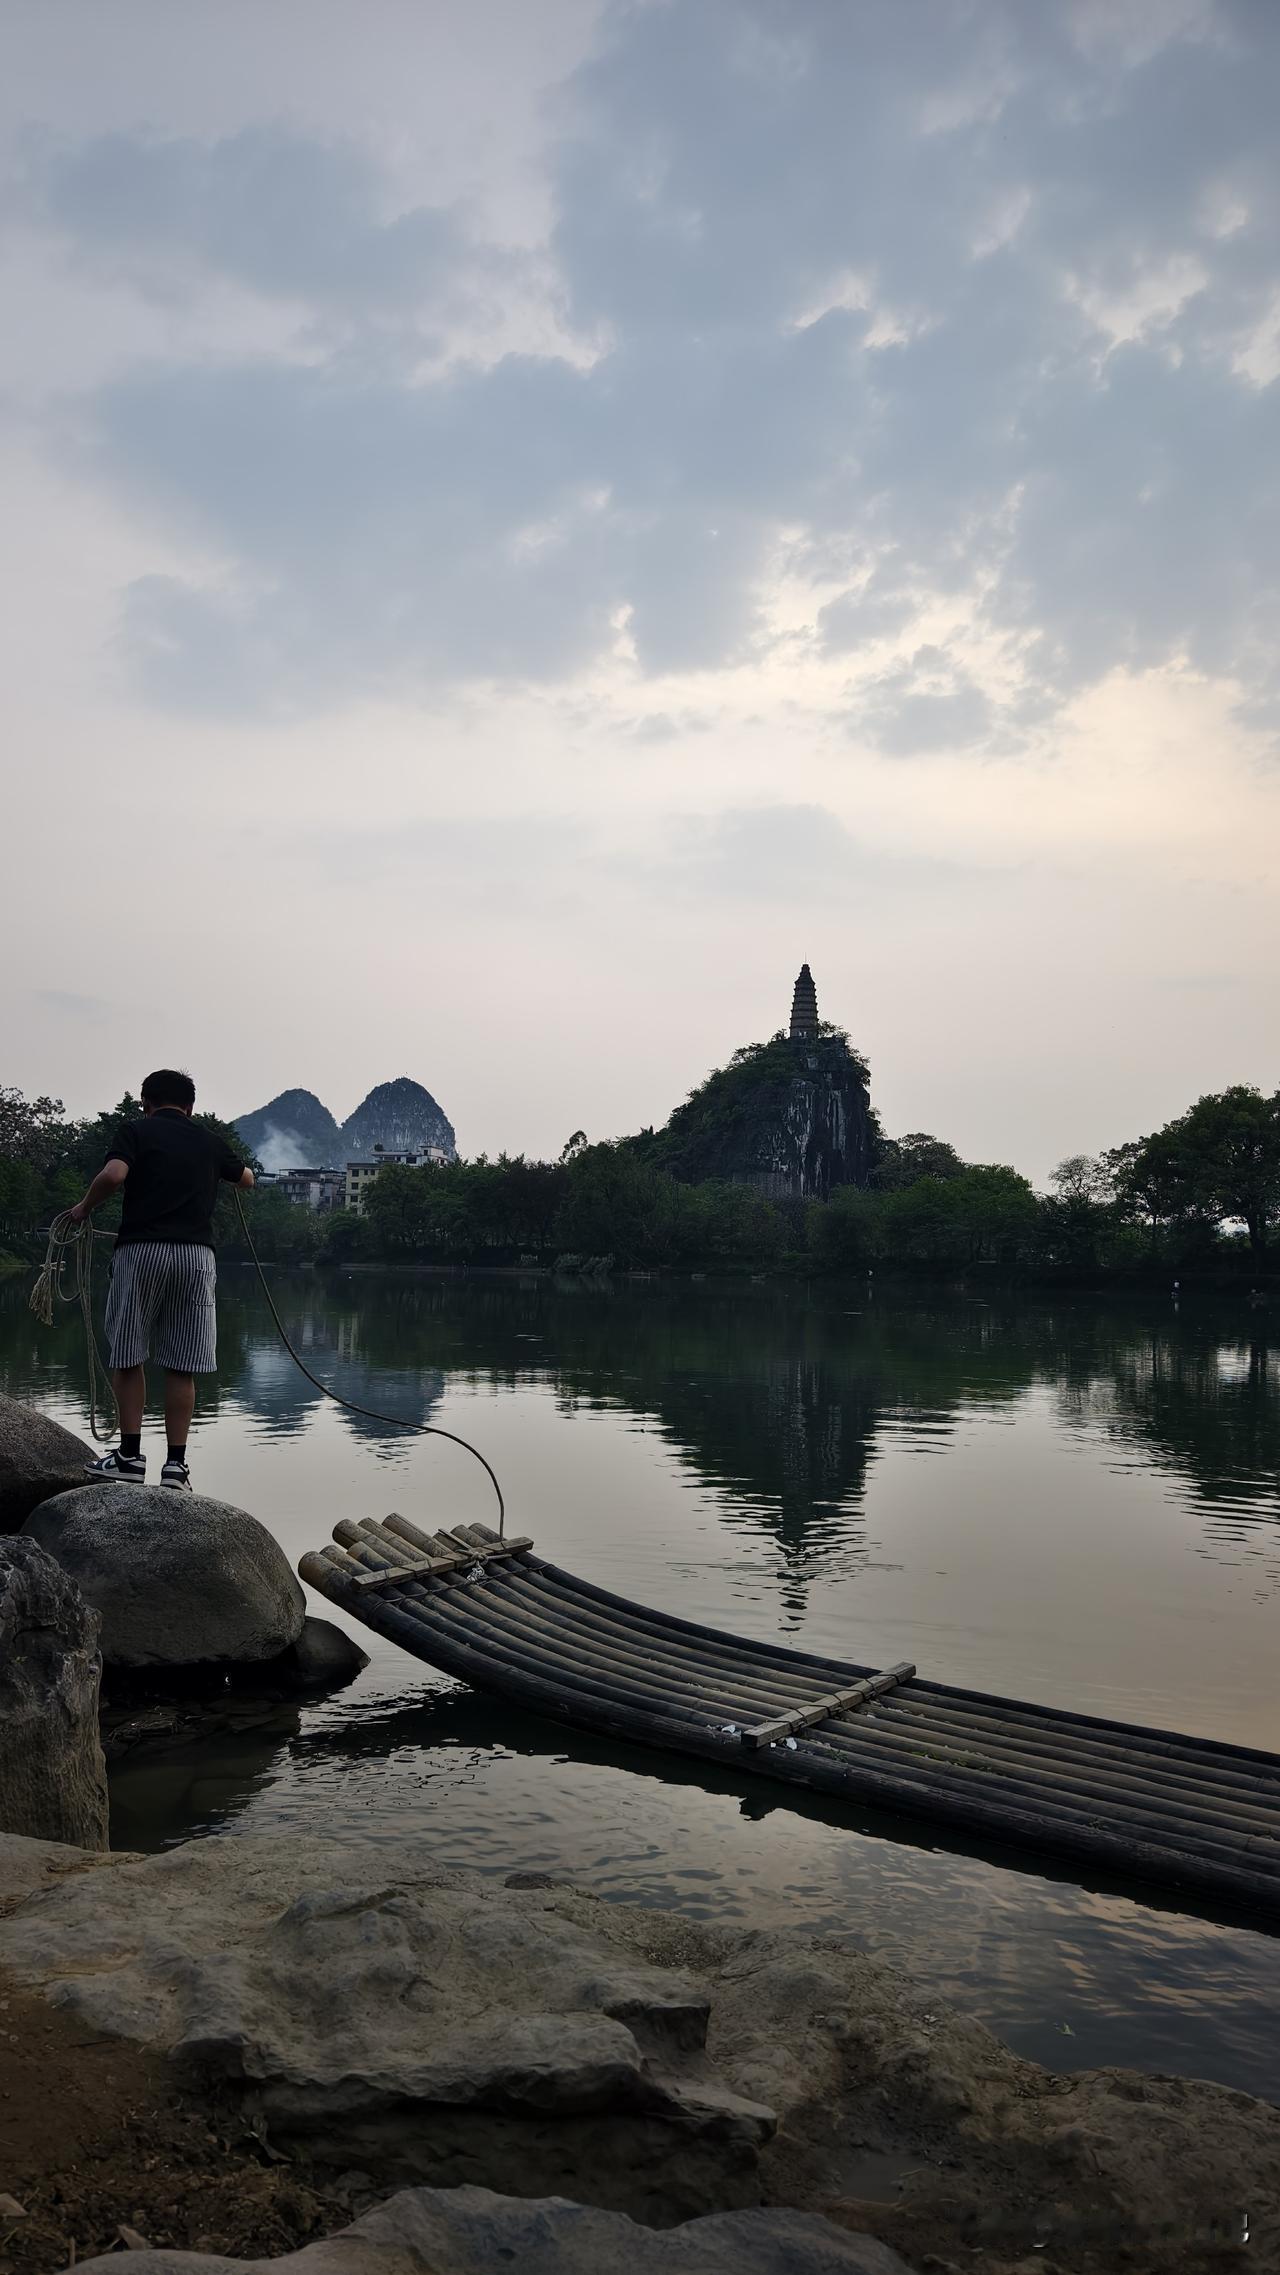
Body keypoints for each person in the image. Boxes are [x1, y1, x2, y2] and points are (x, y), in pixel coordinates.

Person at [68, 1068, 254, 1490]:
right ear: (190, 1107)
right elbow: (246, 1179)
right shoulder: (208, 1140)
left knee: (129, 1354)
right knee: (182, 1364)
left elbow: (114, 1176)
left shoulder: (135, 1131)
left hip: (142, 1251)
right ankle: (176, 1467)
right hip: (196, 1257)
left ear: (146, 1103)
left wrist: (83, 1207)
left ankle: (130, 1458)